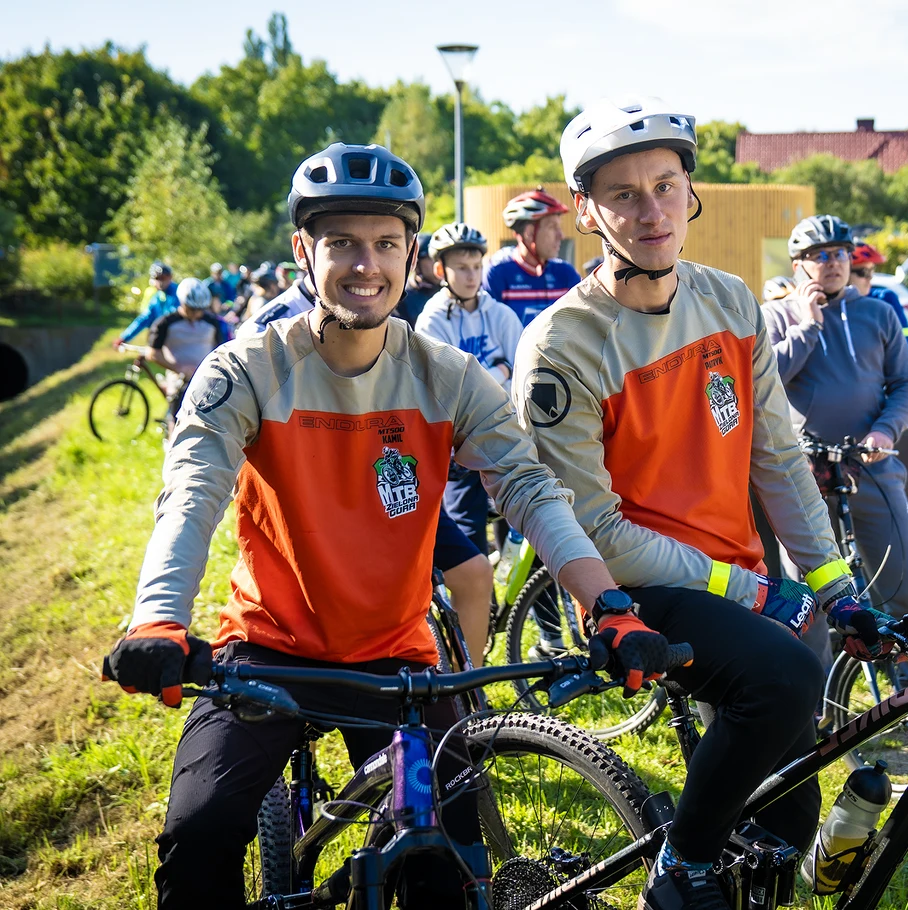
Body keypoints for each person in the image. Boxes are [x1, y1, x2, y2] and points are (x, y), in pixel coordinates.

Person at [100, 142, 632, 909]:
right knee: (201, 832)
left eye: (385, 243)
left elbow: (528, 487)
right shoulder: (245, 369)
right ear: (301, 253)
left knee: (448, 853)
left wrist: (604, 603)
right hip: (265, 653)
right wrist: (158, 617)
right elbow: (192, 491)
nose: (365, 264)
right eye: (341, 242)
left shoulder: (447, 375)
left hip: (397, 663)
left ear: (412, 254)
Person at [515, 97, 888, 910]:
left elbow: (778, 457)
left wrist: (835, 586)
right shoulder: (561, 345)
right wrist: (748, 590)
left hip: (740, 574)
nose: (650, 211)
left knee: (788, 816)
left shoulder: (727, 301)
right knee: (787, 682)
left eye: (665, 185)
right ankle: (677, 869)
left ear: (691, 192)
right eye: (622, 194)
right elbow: (593, 531)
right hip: (641, 586)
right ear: (585, 210)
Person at [764, 215, 908, 672]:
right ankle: (811, 706)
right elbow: (763, 381)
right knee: (807, 597)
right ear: (798, 265)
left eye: (838, 253)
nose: (832, 263)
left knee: (905, 583)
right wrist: (807, 326)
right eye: (819, 255)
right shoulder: (775, 316)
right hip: (804, 471)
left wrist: (885, 431)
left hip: (872, 464)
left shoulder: (878, 313)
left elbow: (905, 384)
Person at [414, 222, 524, 662]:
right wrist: (495, 370)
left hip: (503, 438)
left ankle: (546, 626)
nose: (472, 275)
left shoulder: (499, 314)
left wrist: (493, 372)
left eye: (477, 266)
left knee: (538, 532)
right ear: (441, 270)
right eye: (461, 268)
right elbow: (447, 387)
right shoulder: (432, 319)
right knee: (469, 546)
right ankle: (465, 647)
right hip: (458, 449)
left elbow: (522, 370)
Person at [146, 277, 233, 436]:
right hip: (178, 378)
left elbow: (223, 348)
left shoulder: (212, 322)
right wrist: (179, 368)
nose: (195, 313)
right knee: (177, 411)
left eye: (199, 309)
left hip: (207, 378)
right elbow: (152, 353)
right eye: (191, 309)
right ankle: (172, 437)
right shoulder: (165, 323)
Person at [481, 187, 580, 327]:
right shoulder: (498, 273)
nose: (561, 236)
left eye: (559, 227)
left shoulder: (565, 273)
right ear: (529, 232)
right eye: (552, 227)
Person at [116, 261, 179, 346]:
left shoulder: (179, 293)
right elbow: (144, 318)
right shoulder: (157, 297)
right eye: (157, 278)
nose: (160, 282)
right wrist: (124, 337)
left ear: (170, 277)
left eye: (163, 278)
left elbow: (172, 318)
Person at [395, 232, 440, 327]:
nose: (437, 264)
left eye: (439, 258)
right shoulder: (402, 298)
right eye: (431, 258)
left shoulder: (448, 292)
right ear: (416, 262)